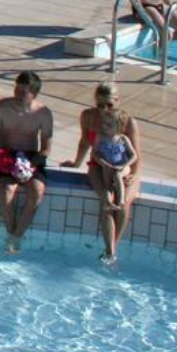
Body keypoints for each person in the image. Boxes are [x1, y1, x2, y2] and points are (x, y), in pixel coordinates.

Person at [65, 81, 143, 265]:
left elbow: (137, 154)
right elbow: (84, 141)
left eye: (109, 104)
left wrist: (134, 174)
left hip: (124, 167)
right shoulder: (88, 117)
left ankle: (111, 249)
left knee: (123, 203)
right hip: (98, 165)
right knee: (106, 201)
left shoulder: (127, 122)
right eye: (100, 104)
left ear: (118, 101)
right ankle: (110, 252)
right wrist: (76, 163)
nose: (104, 109)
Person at [0, 71, 55, 251]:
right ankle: (11, 237)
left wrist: (31, 166)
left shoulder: (43, 113)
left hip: (31, 156)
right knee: (7, 189)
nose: (17, 95)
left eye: (23, 92)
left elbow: (46, 147)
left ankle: (18, 236)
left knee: (37, 190)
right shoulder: (1, 107)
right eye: (16, 90)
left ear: (34, 94)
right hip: (5, 153)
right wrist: (2, 158)